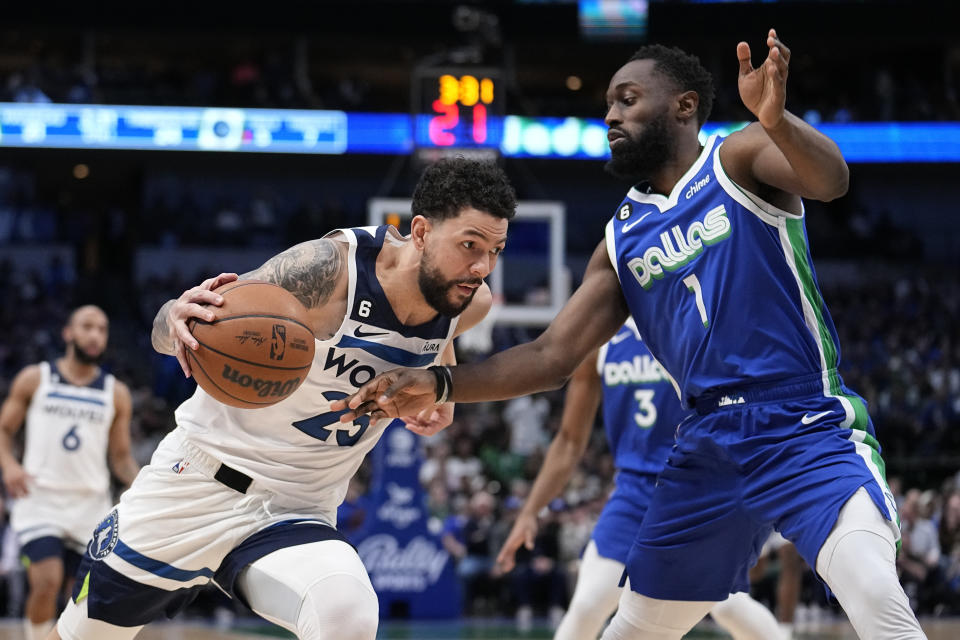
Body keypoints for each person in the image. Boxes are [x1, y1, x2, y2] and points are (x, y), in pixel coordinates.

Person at [336, 31, 927, 639]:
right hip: (706, 443)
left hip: (799, 422)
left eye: (627, 100)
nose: (612, 116)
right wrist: (438, 381)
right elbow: (550, 356)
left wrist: (778, 121)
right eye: (609, 106)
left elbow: (831, 180)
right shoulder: (620, 238)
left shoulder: (740, 159)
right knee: (632, 629)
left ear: (684, 105)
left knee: (874, 590)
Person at [45, 157, 517, 640]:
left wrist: (444, 394)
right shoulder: (330, 270)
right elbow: (175, 326)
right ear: (420, 231)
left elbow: (441, 353)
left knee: (347, 613)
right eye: (469, 245)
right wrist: (173, 318)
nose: (482, 267)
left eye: (496, 250)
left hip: (298, 510)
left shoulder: (467, 302)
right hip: (194, 484)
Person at [496, 318, 784, 640]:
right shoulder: (601, 338)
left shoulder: (699, 319)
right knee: (588, 604)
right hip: (633, 493)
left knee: (727, 606)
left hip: (696, 489)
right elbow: (569, 440)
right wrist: (530, 511)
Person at [0, 305, 138, 640]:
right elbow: (4, 429)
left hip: (90, 506)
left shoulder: (115, 393)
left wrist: (145, 487)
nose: (95, 335)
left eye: (102, 329)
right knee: (46, 582)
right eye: (87, 326)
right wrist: (9, 466)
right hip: (40, 499)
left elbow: (120, 457)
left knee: (77, 598)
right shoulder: (36, 378)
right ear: (68, 333)